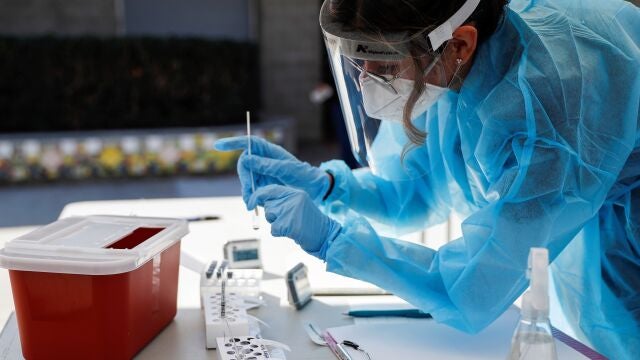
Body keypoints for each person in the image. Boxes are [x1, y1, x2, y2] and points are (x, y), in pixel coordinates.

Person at [215, 0, 640, 358]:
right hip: (579, 246)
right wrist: (327, 186)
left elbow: (474, 285)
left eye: (382, 61)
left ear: (460, 43)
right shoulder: (445, 67)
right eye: (356, 57)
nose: (366, 75)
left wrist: (333, 241)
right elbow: (416, 194)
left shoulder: (549, 103)